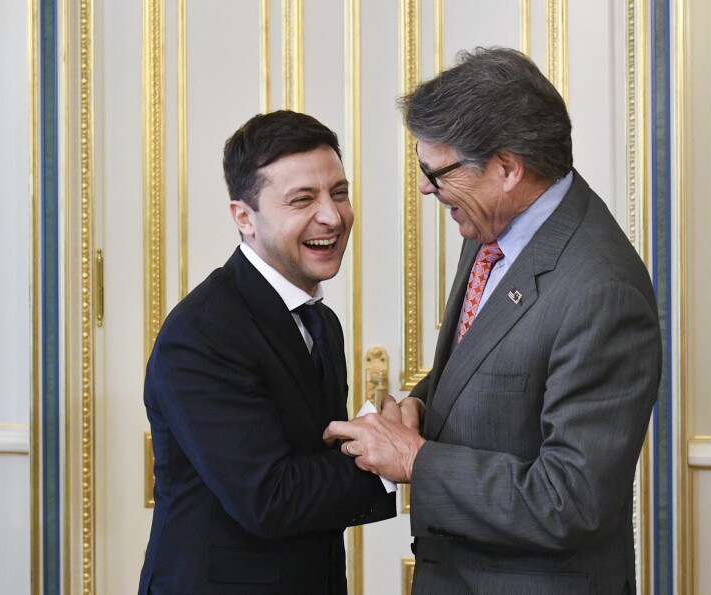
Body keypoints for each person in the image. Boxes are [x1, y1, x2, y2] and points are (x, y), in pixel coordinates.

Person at [325, 47, 662, 594]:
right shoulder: (493, 228)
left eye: (437, 172)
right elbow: (490, 364)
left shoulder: (601, 291)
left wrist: (417, 459)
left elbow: (570, 500)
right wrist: (420, 405)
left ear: (507, 169)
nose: (424, 188)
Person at [139, 110, 395, 595]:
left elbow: (311, 456)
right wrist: (387, 456)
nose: (332, 216)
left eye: (338, 192)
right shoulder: (201, 333)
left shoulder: (321, 319)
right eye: (303, 199)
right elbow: (270, 498)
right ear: (244, 217)